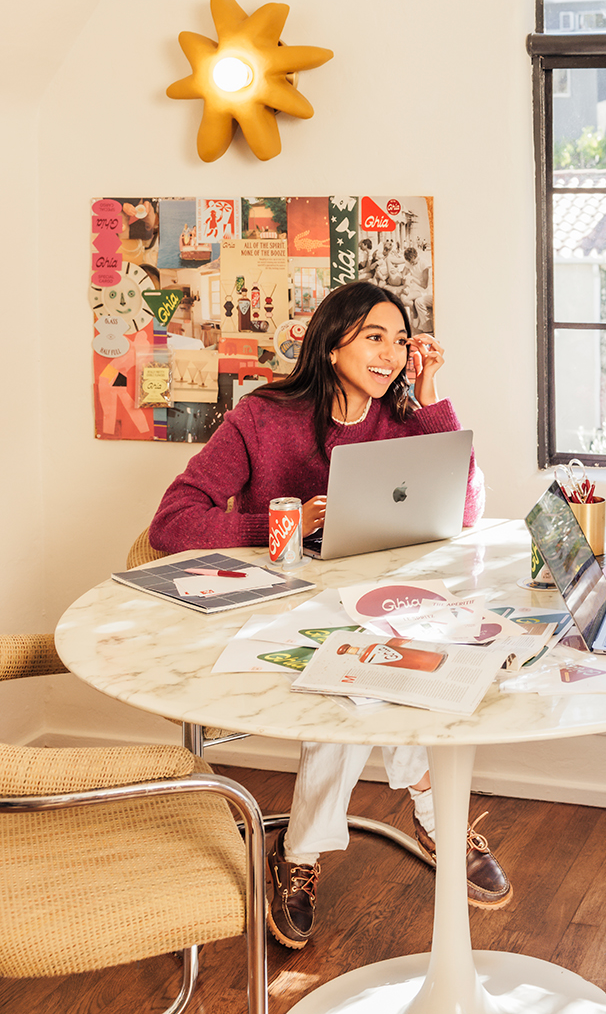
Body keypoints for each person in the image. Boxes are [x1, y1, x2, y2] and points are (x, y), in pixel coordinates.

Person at [149, 279, 512, 948]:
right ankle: (435, 811)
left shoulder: (404, 414)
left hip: (377, 615)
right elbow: (172, 519)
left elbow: (464, 511)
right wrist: (279, 520)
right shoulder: (261, 417)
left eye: (401, 339)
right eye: (375, 336)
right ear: (333, 339)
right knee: (362, 673)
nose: (393, 352)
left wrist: (432, 399)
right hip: (281, 612)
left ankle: (300, 856)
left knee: (361, 673)